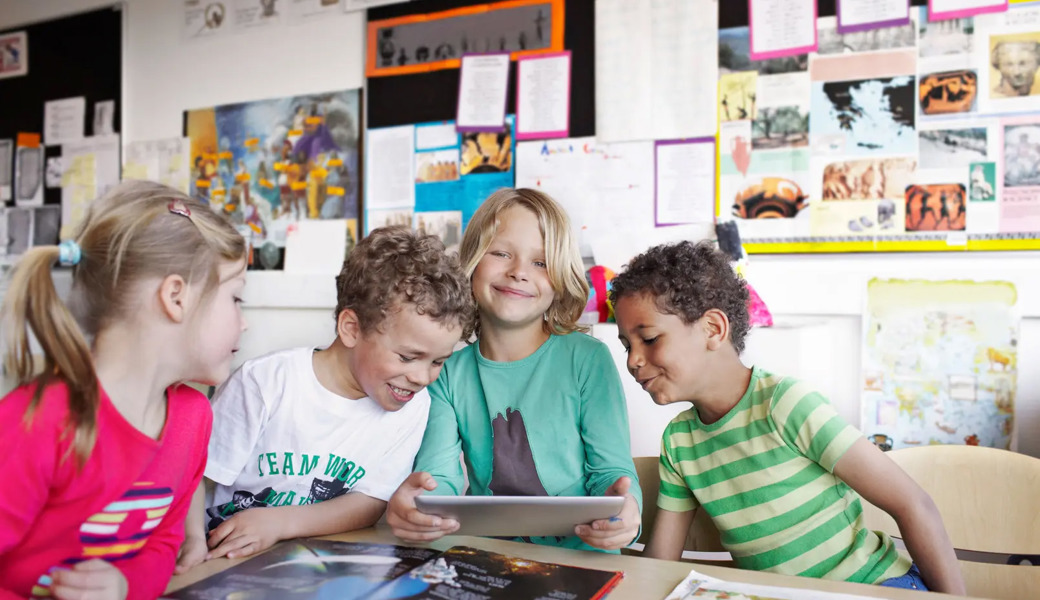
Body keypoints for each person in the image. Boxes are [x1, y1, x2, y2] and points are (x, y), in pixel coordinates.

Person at [609, 240, 966, 594]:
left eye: (650, 339)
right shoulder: (679, 441)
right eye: (628, 346)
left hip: (876, 586)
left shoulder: (787, 404)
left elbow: (913, 504)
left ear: (713, 329)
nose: (633, 361)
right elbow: (662, 561)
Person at [0, 180, 248, 599]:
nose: (244, 322)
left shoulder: (194, 419)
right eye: (237, 299)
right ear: (176, 297)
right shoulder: (38, 420)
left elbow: (161, 545)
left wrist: (123, 587)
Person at [177, 226, 476, 570]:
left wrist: (280, 523)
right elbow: (193, 474)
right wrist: (193, 541)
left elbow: (370, 502)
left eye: (438, 361)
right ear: (351, 329)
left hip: (312, 566)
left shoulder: (413, 406)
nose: (422, 378)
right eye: (408, 357)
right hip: (222, 554)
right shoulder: (265, 383)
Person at [386, 188, 642, 553]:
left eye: (540, 262)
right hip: (490, 560)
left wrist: (627, 511)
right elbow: (438, 477)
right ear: (471, 264)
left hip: (586, 561)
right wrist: (422, 508)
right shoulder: (446, 373)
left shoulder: (588, 359)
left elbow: (613, 475)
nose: (519, 272)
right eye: (501, 253)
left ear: (559, 279)